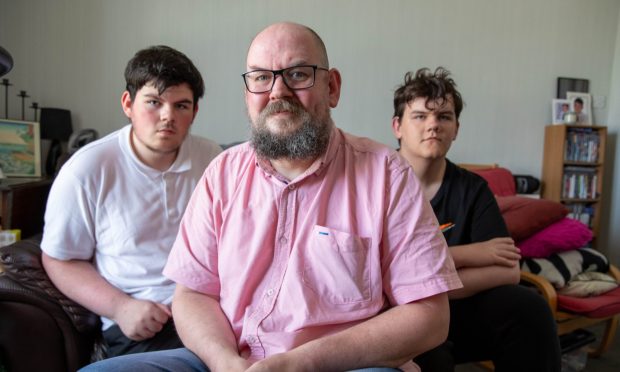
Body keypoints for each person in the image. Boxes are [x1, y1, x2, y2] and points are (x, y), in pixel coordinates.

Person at [81, 22, 462, 372]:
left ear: (332, 88)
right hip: (230, 359)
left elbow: (429, 316)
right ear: (249, 94)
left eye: (297, 74)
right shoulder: (222, 173)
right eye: (261, 78)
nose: (278, 91)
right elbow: (192, 294)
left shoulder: (387, 175)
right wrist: (224, 362)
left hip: (343, 365)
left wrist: (301, 363)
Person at [41, 45, 222, 357]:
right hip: (148, 319)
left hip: (211, 308)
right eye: (154, 102)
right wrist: (121, 307)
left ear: (194, 111)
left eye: (181, 106)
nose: (168, 116)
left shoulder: (213, 159)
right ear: (128, 103)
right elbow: (60, 258)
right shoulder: (86, 169)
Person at [391, 67, 561, 371]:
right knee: (431, 356)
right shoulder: (377, 183)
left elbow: (507, 271)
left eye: (444, 117)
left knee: (529, 309)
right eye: (419, 116)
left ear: (456, 128)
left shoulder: (473, 188)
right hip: (394, 316)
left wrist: (422, 280)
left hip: (457, 310)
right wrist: (467, 254)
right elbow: (382, 281)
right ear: (397, 126)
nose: (433, 125)